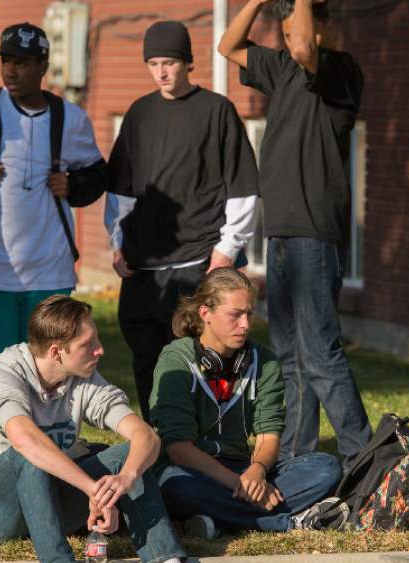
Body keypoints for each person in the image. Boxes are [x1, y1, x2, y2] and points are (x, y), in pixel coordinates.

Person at [0, 295, 240, 563]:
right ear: (57, 351)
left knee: (129, 454)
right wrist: (91, 488)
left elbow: (145, 435)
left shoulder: (81, 378)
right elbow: (25, 439)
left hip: (49, 501)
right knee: (29, 453)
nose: (100, 349)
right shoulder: (2, 378)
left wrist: (125, 478)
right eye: (89, 343)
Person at [218, 0, 371, 470]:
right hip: (282, 231)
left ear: (327, 27)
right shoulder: (282, 67)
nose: (289, 42)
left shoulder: (341, 72)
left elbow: (305, 44)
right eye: (281, 35)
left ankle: (361, 457)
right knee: (288, 354)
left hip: (313, 231)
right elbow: (228, 46)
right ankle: (298, 456)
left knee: (319, 350)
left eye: (296, 33)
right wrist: (258, 4)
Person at [0, 22, 108, 375]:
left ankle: (45, 430)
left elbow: (98, 174)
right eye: (6, 61)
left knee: (53, 367)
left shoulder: (70, 118)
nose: (11, 70)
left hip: (50, 267)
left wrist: (73, 184)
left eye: (22, 63)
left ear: (43, 66)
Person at [105, 20, 258, 421]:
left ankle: (209, 446)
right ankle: (158, 444)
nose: (161, 72)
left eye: (169, 62)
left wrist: (226, 250)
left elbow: (242, 187)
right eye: (153, 63)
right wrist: (116, 241)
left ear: (188, 62)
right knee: (146, 363)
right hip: (143, 267)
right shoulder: (139, 114)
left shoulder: (216, 111)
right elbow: (121, 187)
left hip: (199, 261)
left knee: (204, 363)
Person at [152, 268, 341, 538]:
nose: (245, 325)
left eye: (249, 313)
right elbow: (179, 449)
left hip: (242, 469)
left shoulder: (264, 361)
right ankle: (285, 522)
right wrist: (240, 484)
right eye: (235, 314)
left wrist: (258, 470)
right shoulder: (175, 359)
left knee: (326, 467)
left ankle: (218, 521)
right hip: (191, 471)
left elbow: (268, 435)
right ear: (205, 313)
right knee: (176, 485)